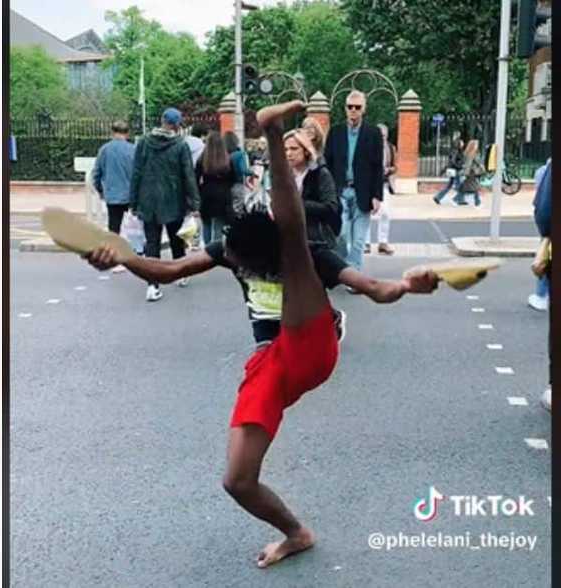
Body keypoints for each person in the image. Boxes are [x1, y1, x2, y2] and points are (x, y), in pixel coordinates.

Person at [84, 100, 438, 568]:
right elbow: (169, 271)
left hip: (313, 345)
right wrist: (124, 256)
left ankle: (272, 129)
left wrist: (409, 285)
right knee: (237, 479)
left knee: (297, 250)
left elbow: (375, 288)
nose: (246, 270)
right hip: (270, 360)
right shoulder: (234, 248)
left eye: (255, 265)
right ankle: (297, 533)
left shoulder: (305, 249)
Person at [129, 107, 200, 301]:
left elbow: (136, 173)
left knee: (152, 244)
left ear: (161, 121)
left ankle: (152, 285)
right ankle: (180, 273)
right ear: (178, 125)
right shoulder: (180, 145)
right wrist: (194, 203)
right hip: (174, 200)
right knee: (176, 238)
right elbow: (188, 176)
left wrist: (133, 201)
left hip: (147, 200)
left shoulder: (144, 143)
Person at [324, 90, 383, 274]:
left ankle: (353, 272)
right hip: (340, 191)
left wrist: (377, 195)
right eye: (350, 107)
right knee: (340, 234)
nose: (354, 111)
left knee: (358, 239)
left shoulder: (373, 133)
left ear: (364, 109)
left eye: (358, 107)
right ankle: (344, 269)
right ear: (345, 109)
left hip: (362, 192)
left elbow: (377, 166)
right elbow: (328, 162)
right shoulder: (336, 132)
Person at [92, 120, 135, 236]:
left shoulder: (104, 150)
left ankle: (116, 252)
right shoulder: (133, 149)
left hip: (112, 195)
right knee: (132, 229)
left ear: (112, 132)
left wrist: (101, 191)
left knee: (114, 229)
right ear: (127, 133)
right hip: (130, 196)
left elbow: (96, 174)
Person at [196, 130, 236, 245]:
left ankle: (207, 249)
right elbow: (233, 178)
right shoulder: (227, 159)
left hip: (206, 194)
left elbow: (195, 177)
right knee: (219, 225)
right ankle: (216, 251)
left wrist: (199, 192)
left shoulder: (202, 159)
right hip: (223, 195)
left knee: (206, 224)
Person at [365, 124, 396, 255]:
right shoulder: (367, 147)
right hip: (369, 185)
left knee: (386, 213)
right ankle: (365, 243)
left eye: (383, 135)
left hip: (383, 184)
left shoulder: (390, 148)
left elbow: (395, 166)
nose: (381, 138)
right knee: (366, 214)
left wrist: (389, 170)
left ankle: (382, 243)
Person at [529, 159, 551, 312]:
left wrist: (545, 233)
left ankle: (541, 296)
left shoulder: (545, 169)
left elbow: (542, 203)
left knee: (547, 256)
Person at [454, 140, 486, 208]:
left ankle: (456, 199)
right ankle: (477, 203)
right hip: (471, 173)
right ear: (473, 146)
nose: (477, 146)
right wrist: (466, 173)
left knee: (466, 188)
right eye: (476, 145)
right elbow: (469, 164)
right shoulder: (472, 154)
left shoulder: (468, 153)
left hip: (471, 173)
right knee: (475, 187)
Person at [433, 138, 465, 205]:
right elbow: (453, 162)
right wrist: (459, 166)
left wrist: (444, 170)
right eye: (462, 143)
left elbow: (450, 162)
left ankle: (438, 197)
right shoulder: (457, 152)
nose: (463, 144)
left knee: (449, 186)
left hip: (453, 171)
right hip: (456, 171)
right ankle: (459, 200)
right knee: (460, 186)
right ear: (459, 144)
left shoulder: (454, 151)